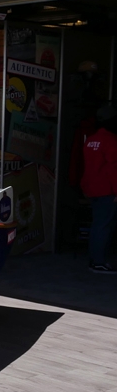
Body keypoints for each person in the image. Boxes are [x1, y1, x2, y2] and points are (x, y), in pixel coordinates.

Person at [81, 103, 117, 273]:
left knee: (98, 225)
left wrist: (84, 187)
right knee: (103, 226)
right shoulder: (110, 141)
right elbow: (113, 169)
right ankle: (98, 262)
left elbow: (87, 167)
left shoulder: (90, 140)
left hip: (93, 189)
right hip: (107, 191)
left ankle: (95, 259)